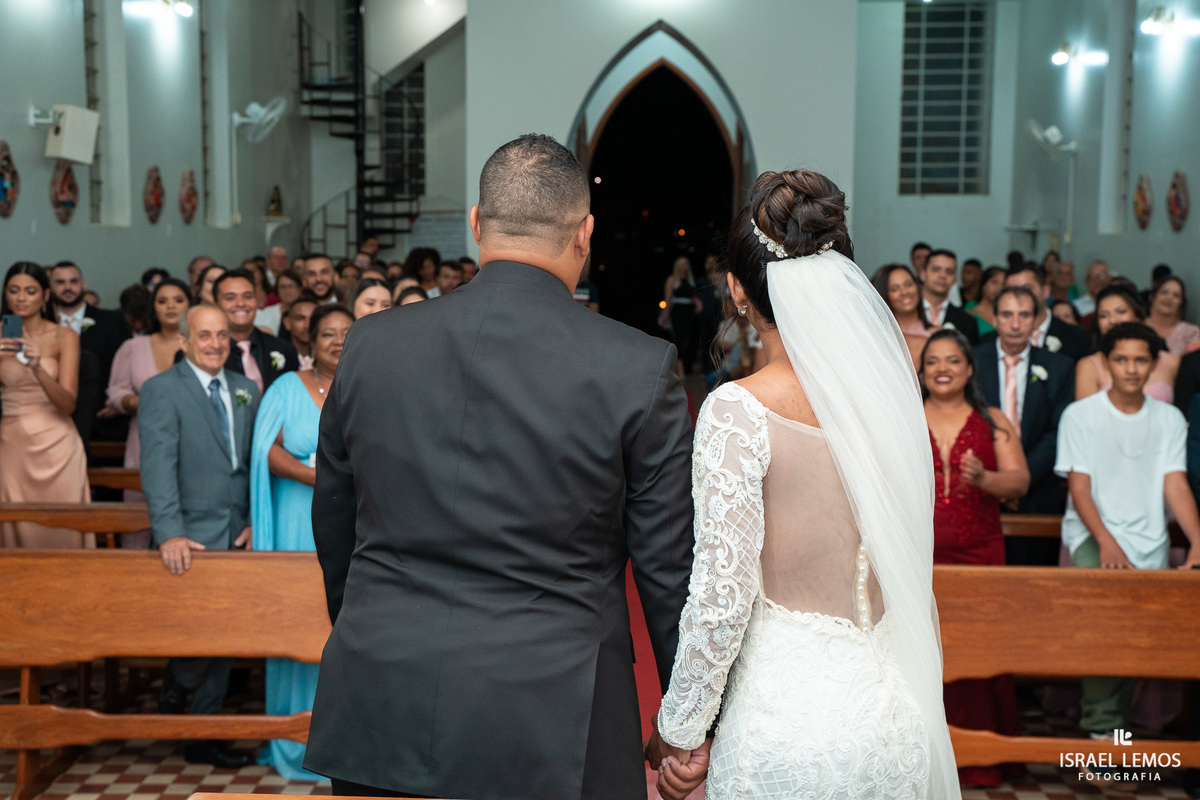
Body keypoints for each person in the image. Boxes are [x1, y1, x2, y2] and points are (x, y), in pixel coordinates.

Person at [306, 133, 695, 799]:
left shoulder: (372, 345)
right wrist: (685, 720)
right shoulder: (636, 365)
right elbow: (666, 562)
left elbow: (335, 517)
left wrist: (373, 626)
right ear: (585, 233)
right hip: (554, 708)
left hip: (384, 691)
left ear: (478, 224)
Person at [650, 170, 957, 800]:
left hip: (786, 729)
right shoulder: (888, 406)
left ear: (737, 290)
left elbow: (720, 596)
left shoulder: (738, 412)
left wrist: (680, 729)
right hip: (894, 718)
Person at [1056, 322, 1200, 750]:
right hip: (1092, 536)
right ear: (1105, 362)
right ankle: (1104, 736)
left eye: (1141, 360)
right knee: (1103, 634)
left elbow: (1174, 483)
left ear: (1154, 364)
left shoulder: (1170, 418)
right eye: (1121, 359)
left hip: (1149, 541)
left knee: (1134, 641)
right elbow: (1079, 488)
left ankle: (1113, 734)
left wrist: (1197, 540)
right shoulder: (1080, 415)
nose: (1131, 369)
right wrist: (1106, 542)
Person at [138, 304, 257, 768]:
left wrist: (251, 519)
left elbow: (247, 466)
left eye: (222, 335)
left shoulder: (246, 389)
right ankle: (179, 685)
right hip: (189, 534)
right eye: (204, 335)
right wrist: (169, 532)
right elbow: (158, 467)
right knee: (198, 633)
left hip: (237, 532)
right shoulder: (162, 390)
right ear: (184, 341)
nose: (215, 344)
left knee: (227, 636)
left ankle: (203, 734)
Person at [251, 303, 353, 780]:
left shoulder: (364, 386)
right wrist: (317, 476)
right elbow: (265, 453)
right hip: (297, 517)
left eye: (345, 332)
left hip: (352, 522)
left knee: (340, 626)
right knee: (298, 620)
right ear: (309, 341)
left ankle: (344, 741)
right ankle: (293, 741)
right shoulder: (285, 387)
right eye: (327, 333)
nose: (336, 340)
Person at [921, 329, 1027, 788]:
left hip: (980, 552)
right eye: (933, 362)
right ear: (922, 373)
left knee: (981, 651)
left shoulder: (993, 421)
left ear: (968, 369)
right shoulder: (903, 417)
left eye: (953, 360)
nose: (942, 368)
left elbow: (1020, 482)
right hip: (919, 558)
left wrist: (985, 477)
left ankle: (985, 757)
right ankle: (924, 759)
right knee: (926, 655)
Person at [974, 287, 1074, 563]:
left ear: (1035, 320)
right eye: (1006, 315)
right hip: (983, 486)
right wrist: (998, 481)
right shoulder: (972, 361)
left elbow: (1059, 430)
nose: (1015, 324)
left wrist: (1018, 480)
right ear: (994, 319)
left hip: (1039, 490)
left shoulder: (1058, 366)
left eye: (1024, 315)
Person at [0, 262, 91, 548]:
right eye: (14, 291)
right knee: (17, 530)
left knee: (62, 532)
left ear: (45, 296)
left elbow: (68, 404)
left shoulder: (64, 336)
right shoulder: (3, 333)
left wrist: (38, 367)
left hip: (58, 444)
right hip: (13, 443)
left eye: (30, 291)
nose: (21, 298)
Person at [105, 279, 193, 548]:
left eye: (178, 300)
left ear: (190, 305)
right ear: (153, 308)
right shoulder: (133, 347)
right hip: (143, 439)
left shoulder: (201, 345)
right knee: (140, 515)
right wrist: (136, 402)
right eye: (162, 300)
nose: (170, 306)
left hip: (193, 439)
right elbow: (115, 392)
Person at [1077, 285, 1178, 404]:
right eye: (1104, 315)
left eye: (1121, 312)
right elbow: (1084, 416)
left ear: (1138, 315)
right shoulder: (1089, 365)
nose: (1112, 320)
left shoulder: (1171, 361)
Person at [213, 269, 298, 393]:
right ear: (216, 304)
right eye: (230, 298)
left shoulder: (284, 349)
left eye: (247, 296)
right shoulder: (206, 353)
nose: (241, 303)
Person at [990, 262, 1092, 361]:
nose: (1020, 297)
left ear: (1046, 291)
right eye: (1012, 290)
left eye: (1027, 289)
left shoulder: (1078, 338)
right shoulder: (992, 341)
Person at [873, 263, 934, 369]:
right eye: (895, 289)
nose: (904, 292)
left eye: (908, 284)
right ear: (885, 295)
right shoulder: (880, 338)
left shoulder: (936, 334)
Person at [919, 249, 980, 343]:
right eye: (936, 269)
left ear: (954, 279)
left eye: (949, 271)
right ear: (923, 274)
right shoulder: (905, 313)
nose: (943, 275)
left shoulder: (967, 322)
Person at [659, 256, 702, 375]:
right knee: (678, 338)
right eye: (681, 264)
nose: (684, 266)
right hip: (677, 312)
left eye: (686, 264)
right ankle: (680, 370)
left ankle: (687, 368)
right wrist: (665, 315)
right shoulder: (672, 280)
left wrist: (697, 302)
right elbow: (668, 299)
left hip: (689, 312)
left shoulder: (691, 280)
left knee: (689, 339)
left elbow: (693, 296)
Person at [1146, 276, 1199, 356]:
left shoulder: (1191, 333)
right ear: (1153, 296)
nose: (1169, 298)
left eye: (1176, 295)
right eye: (1164, 292)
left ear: (1181, 302)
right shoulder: (1137, 326)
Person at [282, 297, 317, 370]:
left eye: (313, 319)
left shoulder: (329, 358)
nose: (307, 325)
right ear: (287, 323)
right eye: (300, 318)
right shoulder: (277, 356)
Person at [968, 266, 1005, 335]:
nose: (999, 288)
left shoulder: (1009, 313)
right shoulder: (970, 310)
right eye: (994, 282)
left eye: (1003, 284)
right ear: (983, 284)